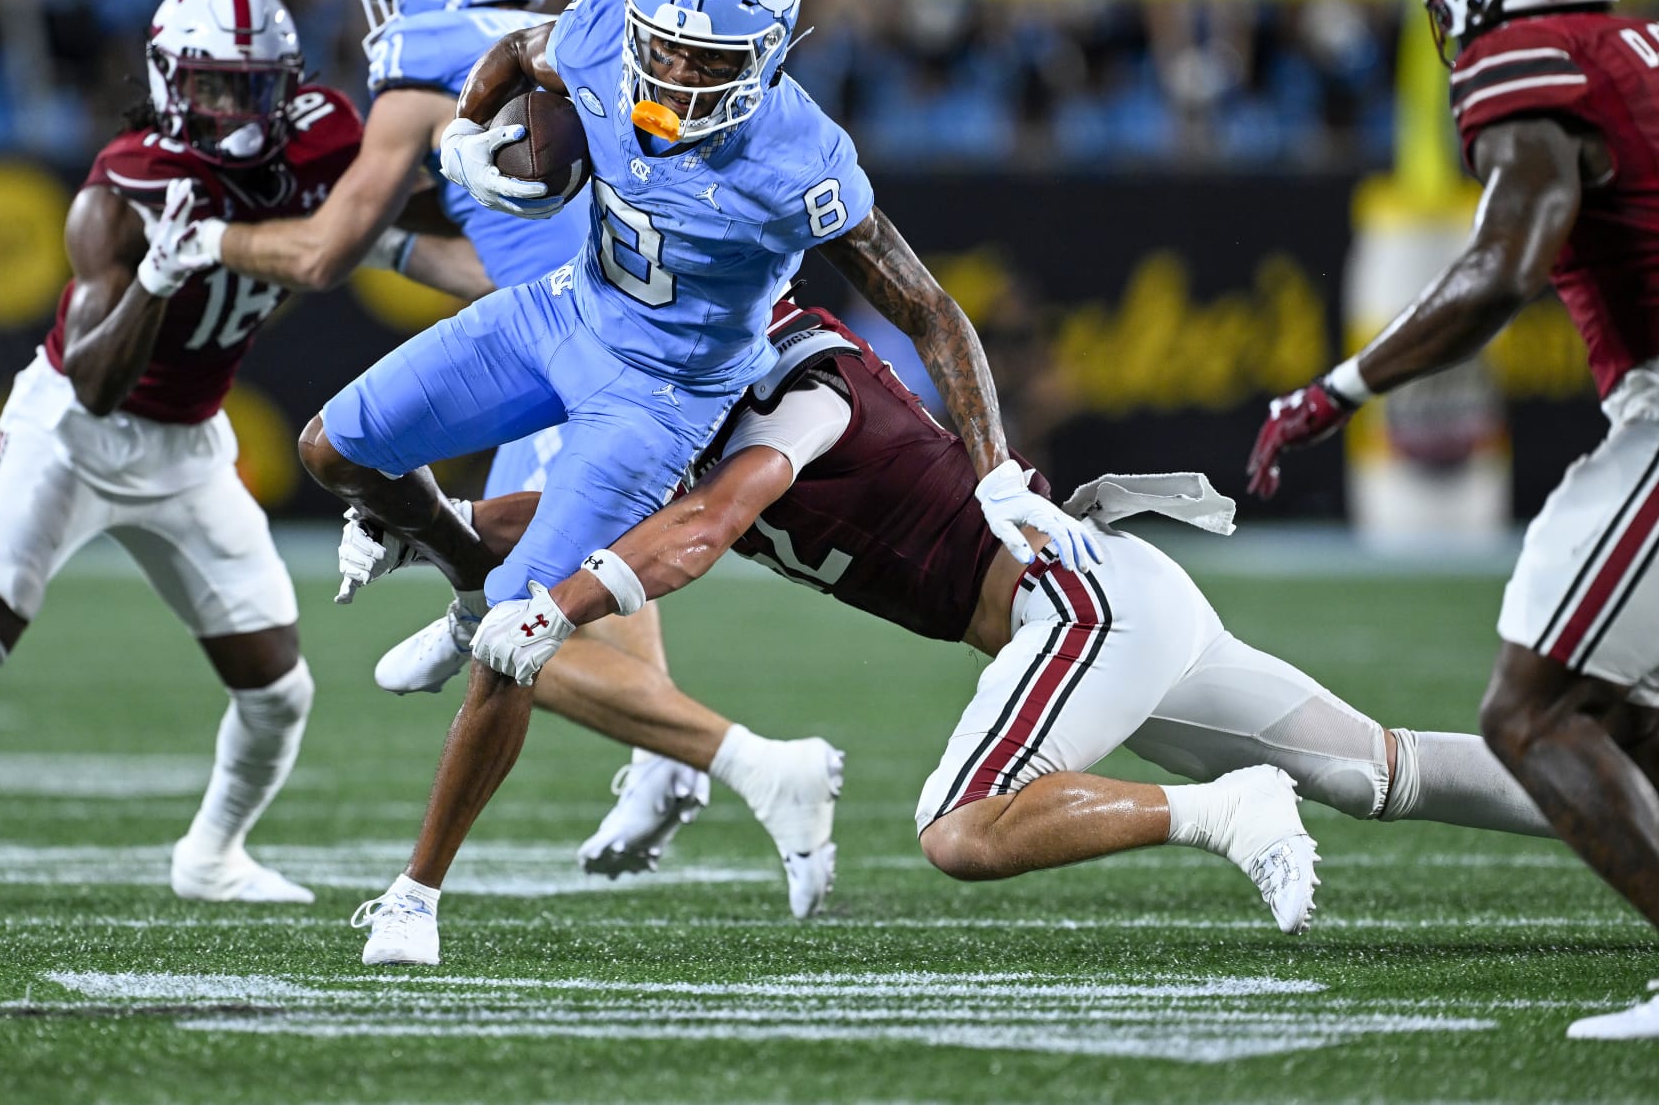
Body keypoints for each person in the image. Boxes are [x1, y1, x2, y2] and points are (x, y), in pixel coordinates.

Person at [208, 0, 1095, 955]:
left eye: (699, 56)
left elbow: (930, 312)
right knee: (332, 449)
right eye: (660, 44)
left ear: (765, 56)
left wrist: (993, 469)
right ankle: (459, 571)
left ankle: (414, 894)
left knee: (518, 633)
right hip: (563, 313)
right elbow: (512, 51)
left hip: (662, 395)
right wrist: (467, 134)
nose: (669, 71)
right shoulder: (600, 28)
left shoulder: (800, 155)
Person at [345, 299, 1556, 965]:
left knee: (962, 829)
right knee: (1377, 771)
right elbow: (616, 507)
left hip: (1076, 608)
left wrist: (558, 605)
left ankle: (1222, 809)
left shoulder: (804, 384)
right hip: (1117, 603)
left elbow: (706, 526)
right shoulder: (706, 405)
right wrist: (433, 521)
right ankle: (1613, 791)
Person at [182, 0, 742, 879]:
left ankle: (724, 757)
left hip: (590, 353)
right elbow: (505, 264)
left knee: (516, 621)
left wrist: (209, 239)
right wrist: (394, 244)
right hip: (638, 332)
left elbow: (316, 253)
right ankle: (668, 758)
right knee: (563, 573)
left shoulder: (431, 68)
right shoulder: (562, 41)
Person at [1247, 0, 1659, 1041]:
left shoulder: (1535, 58)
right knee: (1623, 717)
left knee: (1529, 711)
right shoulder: (1633, 46)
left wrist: (1334, 389)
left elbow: (1498, 270)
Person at [0, 0, 366, 903]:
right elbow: (94, 383)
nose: (233, 106)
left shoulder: (322, 136)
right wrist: (158, 280)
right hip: (73, 433)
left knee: (279, 689)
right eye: (211, 83)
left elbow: (380, 208)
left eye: (252, 84)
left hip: (186, 443)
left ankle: (212, 854)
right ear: (171, 82)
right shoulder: (123, 190)